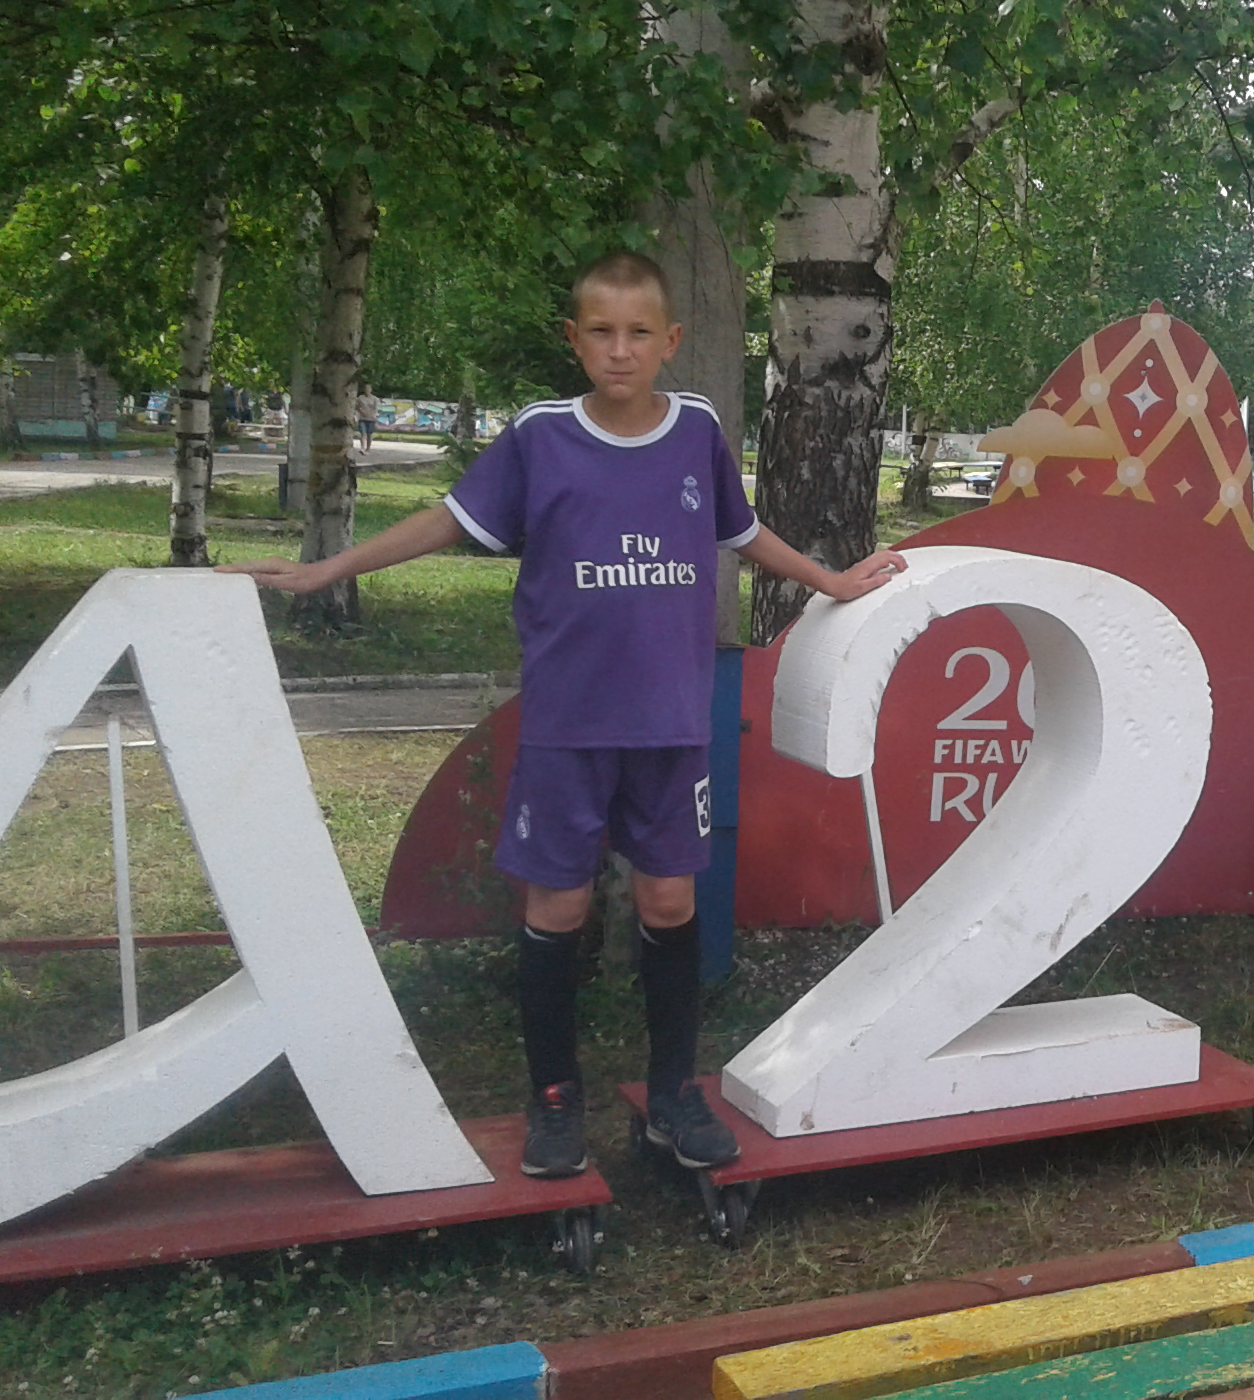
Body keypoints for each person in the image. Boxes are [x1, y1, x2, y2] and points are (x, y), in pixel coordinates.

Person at [224, 251, 907, 1179]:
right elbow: (449, 518)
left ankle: (673, 1095)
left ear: (669, 341)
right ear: (574, 340)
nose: (620, 350)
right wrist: (327, 569)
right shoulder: (541, 436)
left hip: (669, 724)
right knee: (559, 903)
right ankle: (553, 1102)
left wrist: (830, 580)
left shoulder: (696, 430)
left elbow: (740, 531)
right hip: (566, 726)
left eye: (639, 333)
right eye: (601, 332)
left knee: (670, 900)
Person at [354, 386, 379, 453]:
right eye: (366, 389)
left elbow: (376, 409)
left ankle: (368, 448)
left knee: (369, 434)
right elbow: (356, 406)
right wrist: (360, 411)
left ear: (371, 390)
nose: (367, 390)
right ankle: (362, 448)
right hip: (362, 418)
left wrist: (375, 416)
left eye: (368, 389)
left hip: (371, 419)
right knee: (363, 433)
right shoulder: (360, 398)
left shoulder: (374, 398)